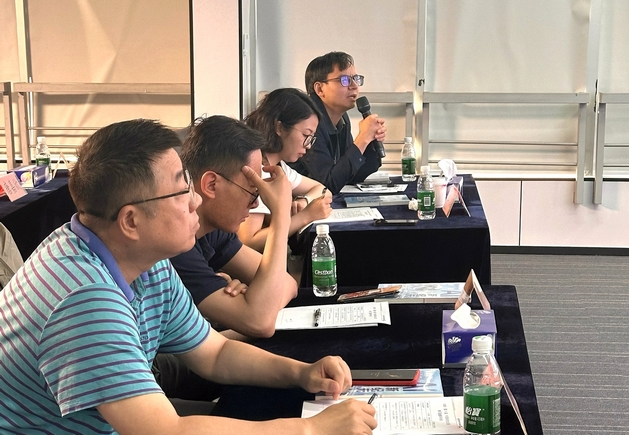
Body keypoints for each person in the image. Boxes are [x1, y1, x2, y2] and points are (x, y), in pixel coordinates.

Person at [0, 119, 377, 434]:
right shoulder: (85, 300)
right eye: (181, 192)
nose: (196, 200)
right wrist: (311, 429)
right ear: (131, 221)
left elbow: (215, 353)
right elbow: (168, 431)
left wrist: (303, 373)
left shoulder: (143, 258)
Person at [170, 115, 297, 338]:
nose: (255, 204)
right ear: (211, 184)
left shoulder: (212, 229)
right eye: (252, 192)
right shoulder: (174, 245)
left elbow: (288, 284)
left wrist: (258, 301)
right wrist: (280, 215)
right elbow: (259, 321)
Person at [241, 87, 333, 253]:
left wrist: (304, 201)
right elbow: (249, 241)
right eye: (305, 135)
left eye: (311, 138)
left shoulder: (279, 167)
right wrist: (306, 216)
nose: (308, 145)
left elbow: (323, 190)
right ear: (280, 128)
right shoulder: (258, 169)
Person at [288, 51, 387, 194]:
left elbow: (351, 175)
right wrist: (362, 138)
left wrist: (370, 141)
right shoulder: (308, 121)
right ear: (320, 89)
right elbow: (327, 185)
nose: (354, 86)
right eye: (344, 80)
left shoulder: (342, 118)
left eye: (356, 79)